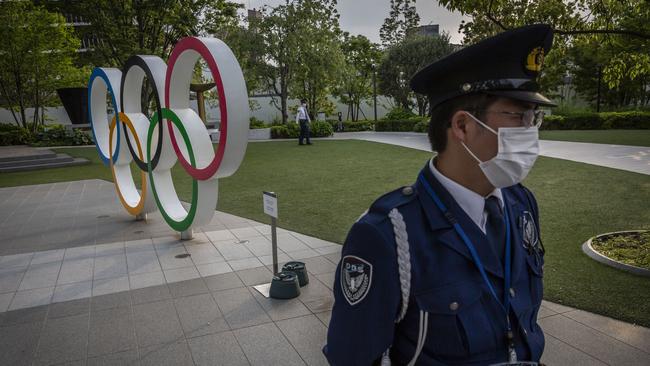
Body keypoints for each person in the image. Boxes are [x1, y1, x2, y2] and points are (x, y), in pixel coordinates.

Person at [324, 24, 555, 365]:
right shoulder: (387, 235)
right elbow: (353, 357)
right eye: (519, 115)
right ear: (462, 126)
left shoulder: (522, 204)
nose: (530, 130)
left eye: (534, 116)